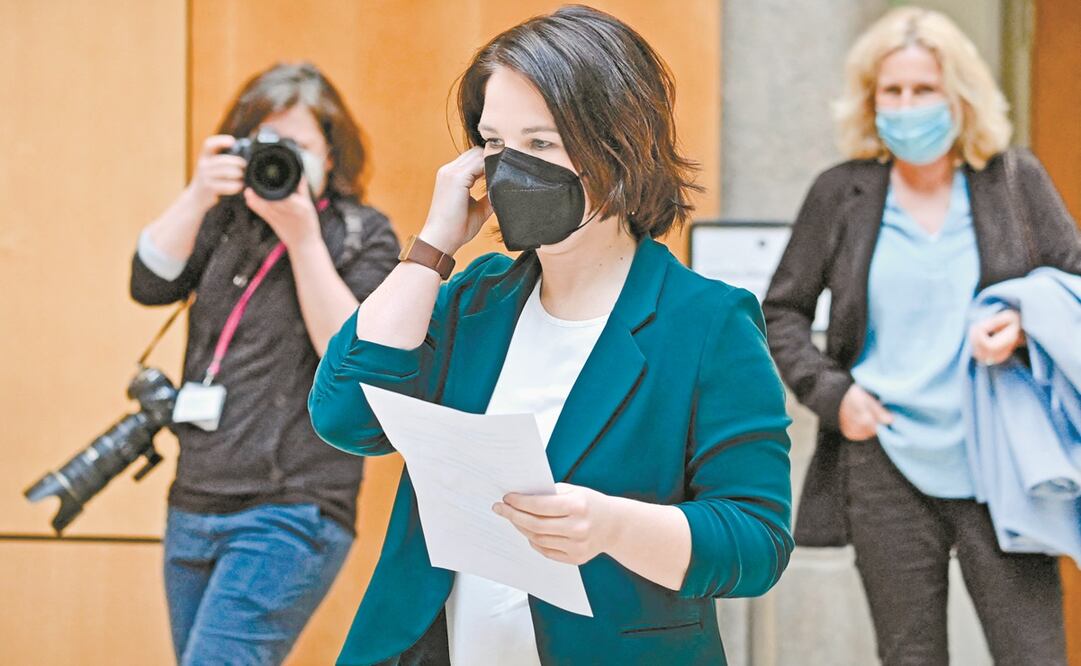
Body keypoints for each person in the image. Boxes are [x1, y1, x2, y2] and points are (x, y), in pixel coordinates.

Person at [309, 5, 793, 665]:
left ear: (619, 144)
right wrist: (431, 248)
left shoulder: (706, 321)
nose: (511, 171)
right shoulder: (474, 298)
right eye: (495, 145)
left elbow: (755, 541)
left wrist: (612, 526)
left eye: (541, 144)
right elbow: (345, 418)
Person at [762, 8, 1080, 665]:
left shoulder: (1012, 181)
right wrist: (831, 394)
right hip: (883, 458)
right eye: (892, 91)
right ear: (870, 101)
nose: (906, 106)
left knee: (1033, 652)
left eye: (923, 90)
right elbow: (781, 311)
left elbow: (1074, 283)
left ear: (958, 97)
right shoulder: (841, 192)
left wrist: (1021, 327)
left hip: (997, 457)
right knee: (908, 656)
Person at [129, 62, 400, 665]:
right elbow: (149, 281)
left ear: (331, 155)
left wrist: (303, 238)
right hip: (195, 499)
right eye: (267, 145)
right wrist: (201, 192)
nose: (281, 160)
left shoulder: (360, 233)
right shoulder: (225, 221)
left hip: (292, 507)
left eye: (298, 146)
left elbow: (349, 354)